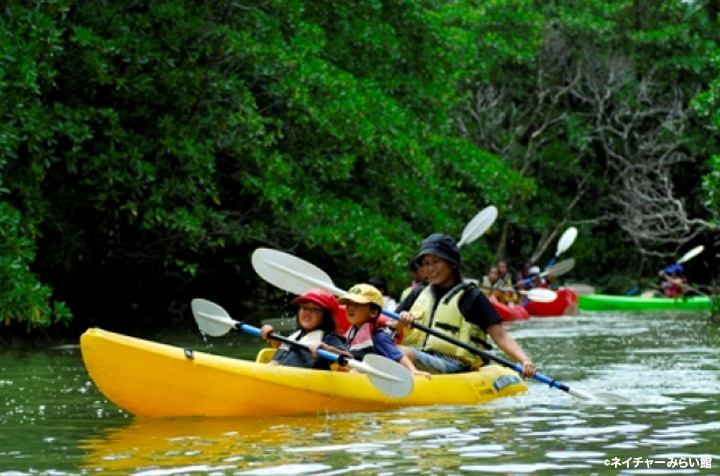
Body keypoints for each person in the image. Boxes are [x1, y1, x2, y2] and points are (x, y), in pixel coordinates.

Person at [394, 234, 536, 377]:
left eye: (436, 261)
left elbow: (500, 335)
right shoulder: (418, 293)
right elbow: (389, 324)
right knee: (387, 349)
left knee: (397, 351)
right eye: (426, 263)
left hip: (454, 363)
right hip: (416, 357)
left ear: (452, 264)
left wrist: (525, 361)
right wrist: (399, 323)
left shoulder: (472, 296)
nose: (431, 268)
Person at [316, 284, 429, 377]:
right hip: (356, 375)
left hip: (370, 379)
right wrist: (327, 349)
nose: (350, 308)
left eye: (357, 304)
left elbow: (398, 356)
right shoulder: (351, 333)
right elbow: (347, 355)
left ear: (373, 312)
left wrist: (413, 371)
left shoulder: (378, 336)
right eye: (348, 304)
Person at [260, 289, 347, 370]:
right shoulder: (297, 334)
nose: (308, 312)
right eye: (304, 308)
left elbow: (348, 358)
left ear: (326, 317)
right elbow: (286, 349)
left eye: (315, 309)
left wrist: (327, 349)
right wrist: (273, 337)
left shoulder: (328, 339)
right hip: (278, 375)